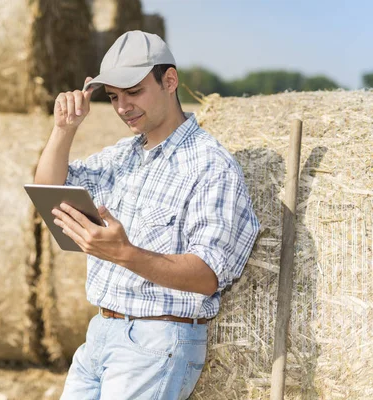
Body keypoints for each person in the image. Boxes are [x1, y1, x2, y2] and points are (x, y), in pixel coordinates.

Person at [34, 30, 260, 400]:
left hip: (156, 343)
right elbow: (49, 190)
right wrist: (63, 129)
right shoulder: (121, 155)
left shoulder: (209, 166)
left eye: (134, 92)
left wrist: (125, 253)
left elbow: (207, 275)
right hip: (101, 333)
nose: (123, 107)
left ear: (169, 81)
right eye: (114, 97)